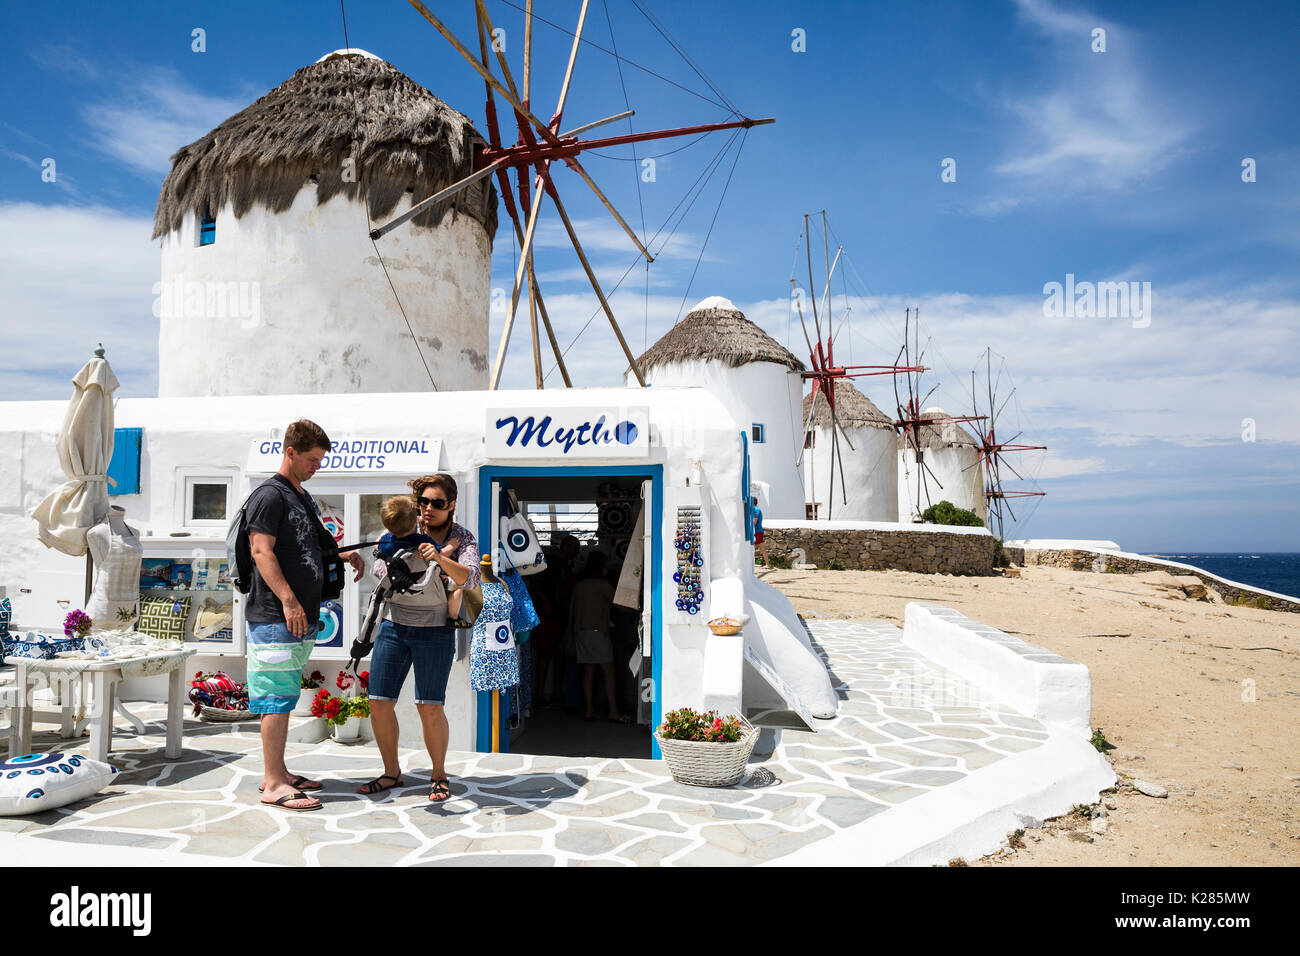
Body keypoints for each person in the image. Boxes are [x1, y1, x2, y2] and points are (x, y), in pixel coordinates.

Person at [246, 419, 364, 812]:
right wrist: (289, 600)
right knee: (275, 697)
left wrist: (342, 552)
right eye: (312, 459)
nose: (318, 466)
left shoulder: (300, 495)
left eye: (320, 459)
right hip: (276, 615)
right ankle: (274, 783)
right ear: (290, 452)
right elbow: (261, 552)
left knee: (286, 692)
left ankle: (277, 771)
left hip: (301, 615)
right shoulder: (269, 496)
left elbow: (307, 542)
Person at [362, 474, 478, 802]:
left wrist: (439, 558)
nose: (428, 509)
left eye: (437, 503)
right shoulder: (401, 530)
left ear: (451, 505)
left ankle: (438, 775)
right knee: (379, 702)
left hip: (434, 631)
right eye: (423, 502)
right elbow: (380, 572)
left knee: (429, 706)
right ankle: (390, 772)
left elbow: (469, 579)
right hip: (393, 626)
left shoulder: (462, 538)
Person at [568, 551, 629, 723]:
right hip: (598, 632)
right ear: (602, 566)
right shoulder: (603, 586)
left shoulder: (579, 585)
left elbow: (572, 610)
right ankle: (613, 711)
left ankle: (589, 710)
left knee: (588, 671)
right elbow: (620, 605)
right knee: (608, 671)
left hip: (581, 632)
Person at [753, 495, 770, 569]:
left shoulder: (756, 510)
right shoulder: (756, 509)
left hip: (757, 532)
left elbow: (754, 522)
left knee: (761, 548)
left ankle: (767, 564)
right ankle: (767, 564)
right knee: (760, 548)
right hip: (758, 531)